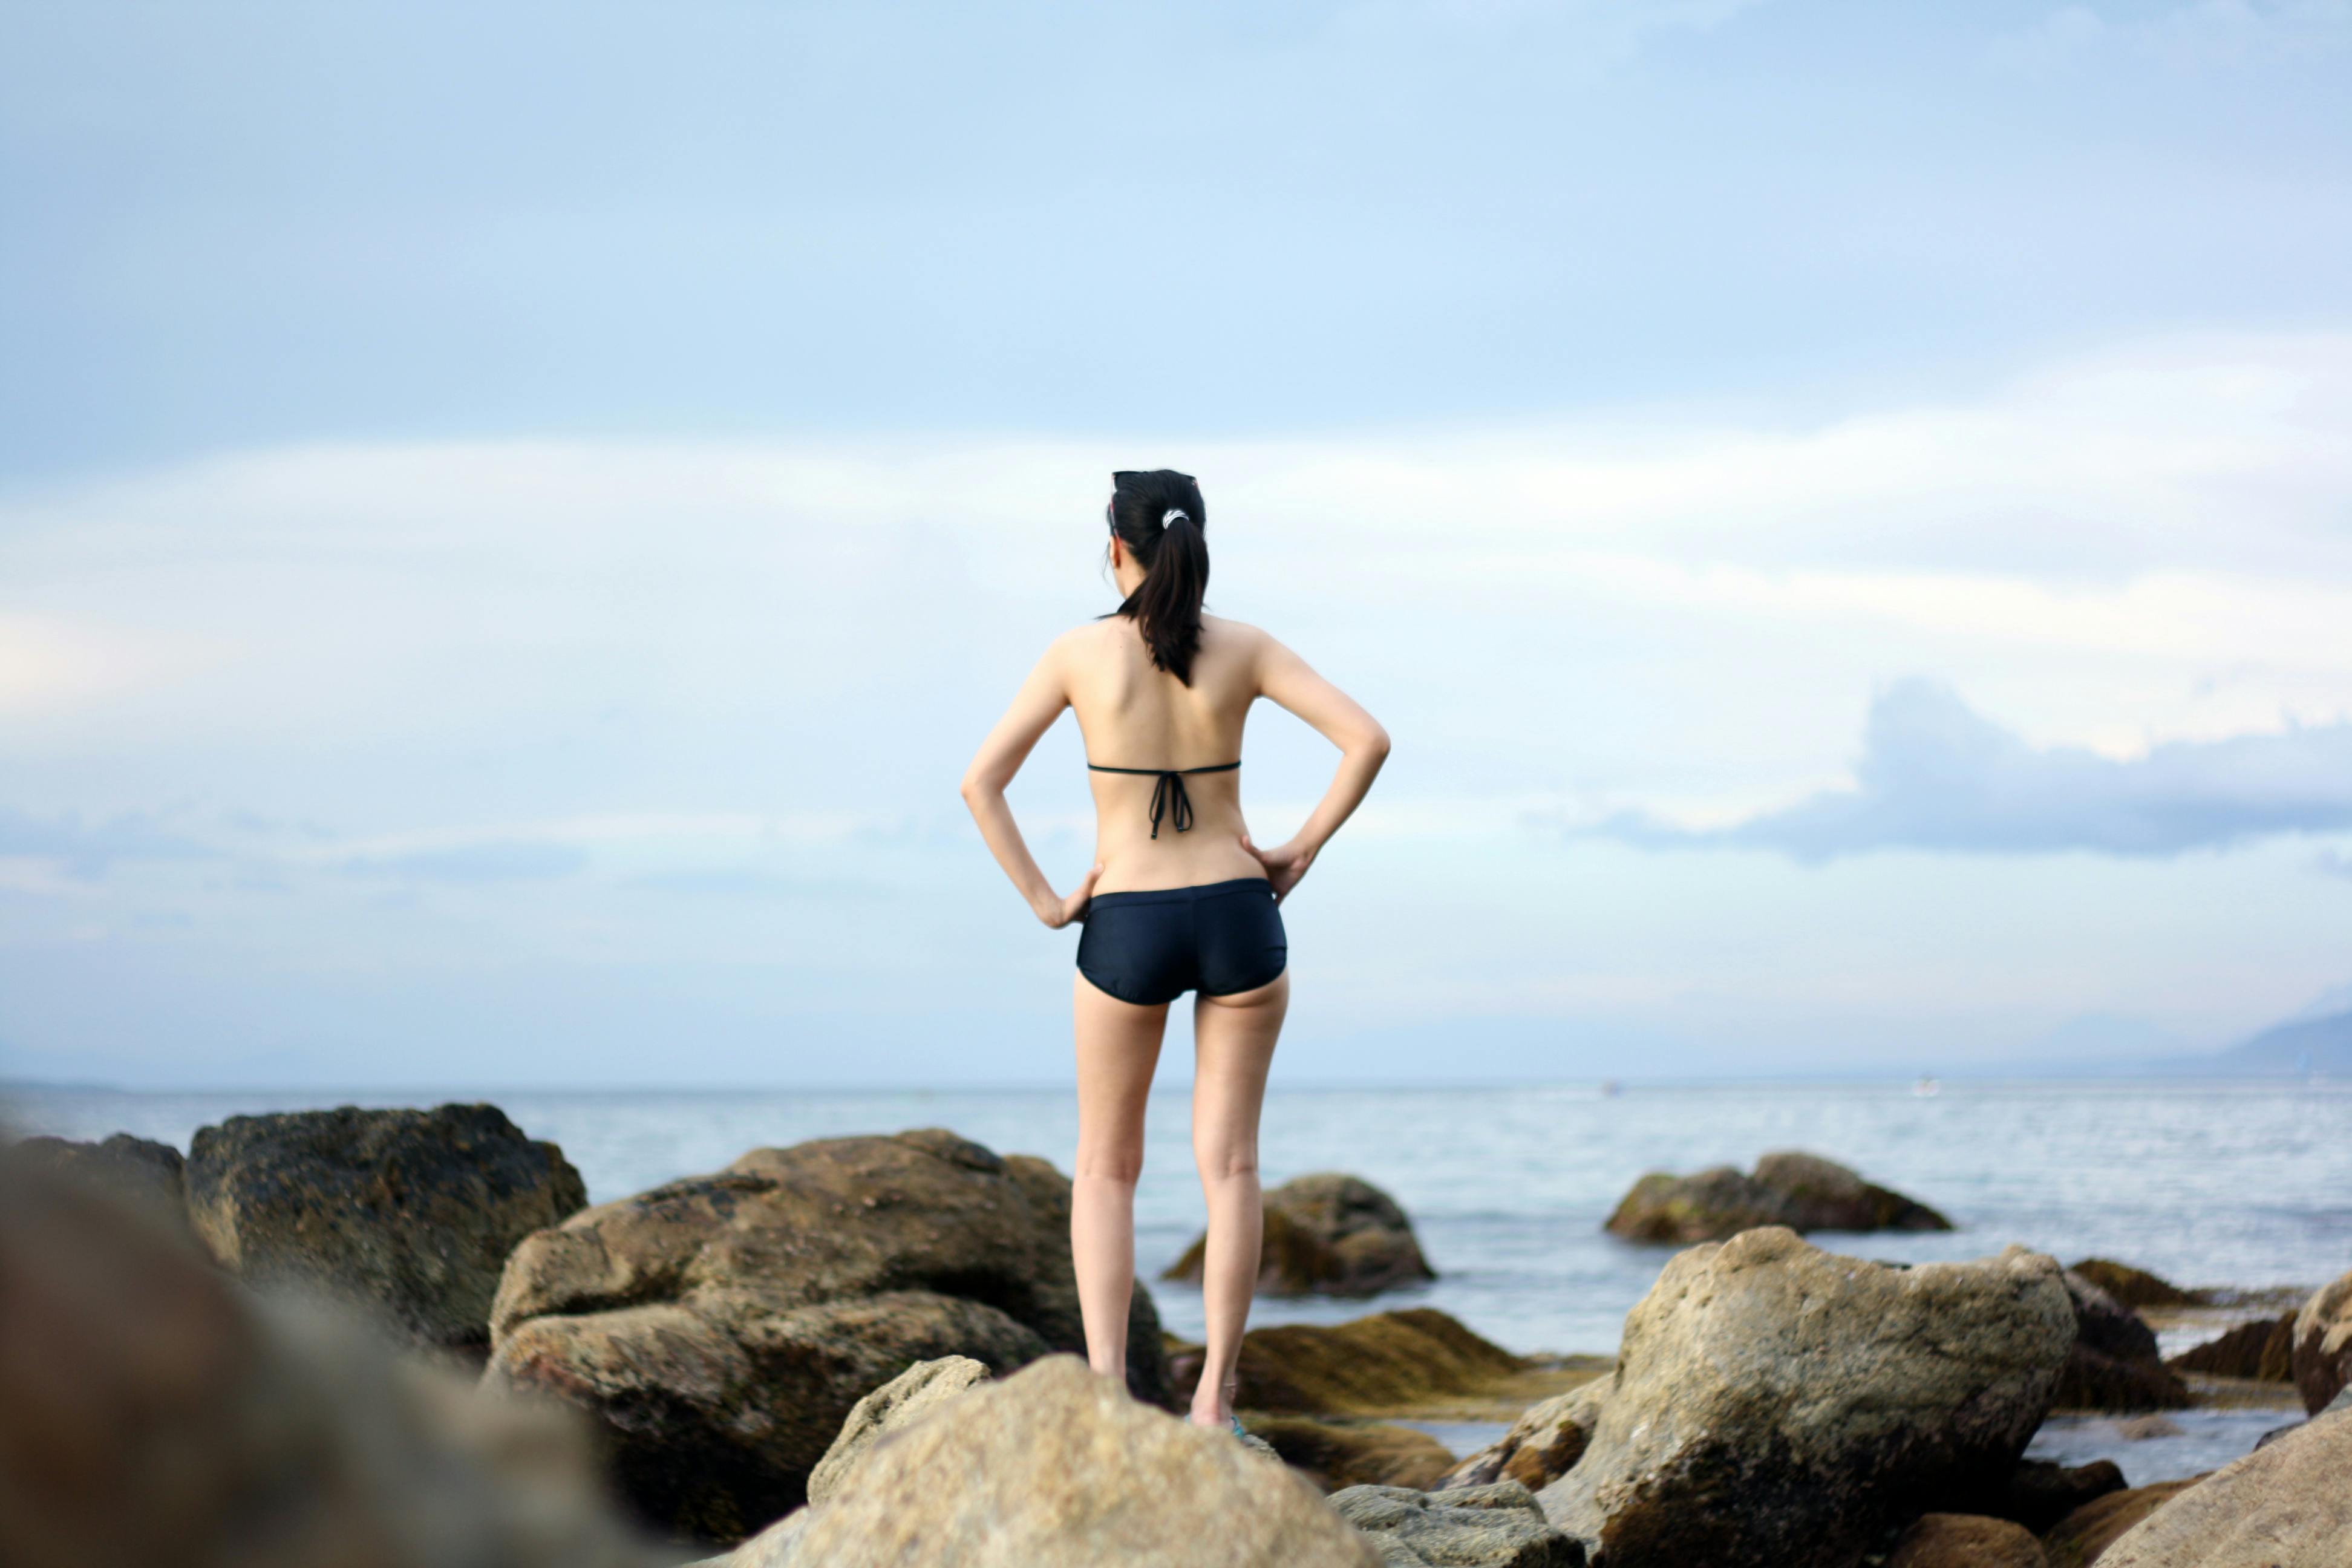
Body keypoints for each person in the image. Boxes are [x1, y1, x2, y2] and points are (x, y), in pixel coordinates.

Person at [960, 469, 1390, 1434]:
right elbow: (1366, 739)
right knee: (1230, 1167)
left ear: (1115, 547)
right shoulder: (1245, 646)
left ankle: (1110, 1399)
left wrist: (1045, 899)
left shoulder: (1078, 654)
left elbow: (981, 783)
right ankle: (1213, 1401)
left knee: (1108, 1169)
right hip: (1241, 910)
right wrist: (1300, 847)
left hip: (1130, 919)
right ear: (1194, 544)